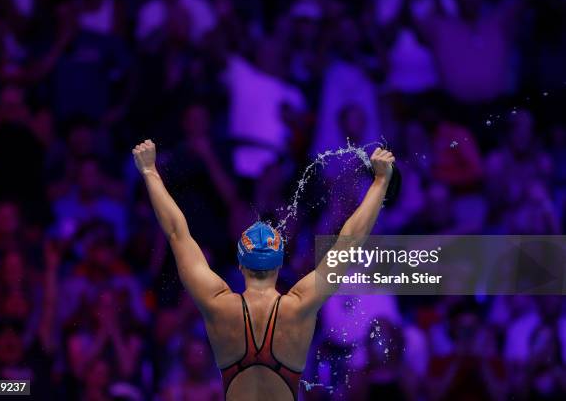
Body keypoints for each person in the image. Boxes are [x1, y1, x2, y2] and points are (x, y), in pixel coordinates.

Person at [132, 139, 394, 400]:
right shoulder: (299, 305)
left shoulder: (218, 304)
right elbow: (350, 238)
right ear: (280, 264)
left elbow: (177, 232)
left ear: (240, 264)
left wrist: (150, 172)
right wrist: (380, 182)